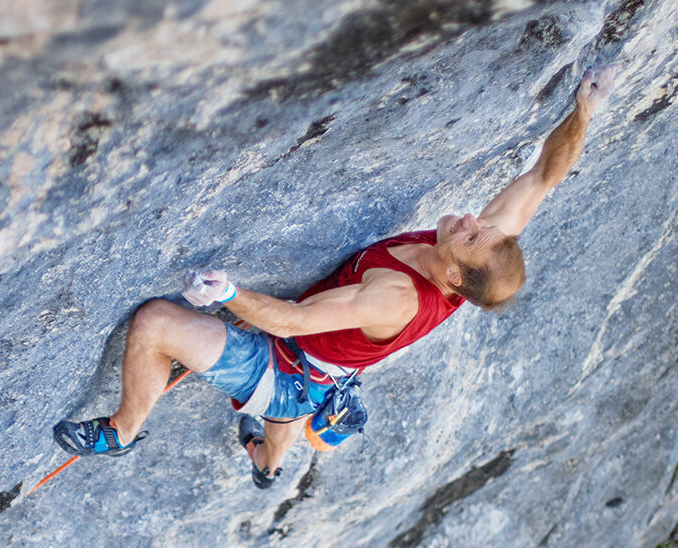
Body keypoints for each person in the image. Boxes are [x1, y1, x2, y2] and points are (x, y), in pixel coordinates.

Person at [52, 65, 621, 488]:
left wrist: (228, 294)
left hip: (289, 365)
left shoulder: (397, 296)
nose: (473, 219)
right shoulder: (471, 261)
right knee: (281, 425)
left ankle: (123, 432)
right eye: (481, 228)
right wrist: (586, 110)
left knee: (155, 323)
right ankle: (269, 464)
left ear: (453, 274)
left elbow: (295, 322)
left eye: (472, 235)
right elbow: (547, 174)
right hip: (322, 375)